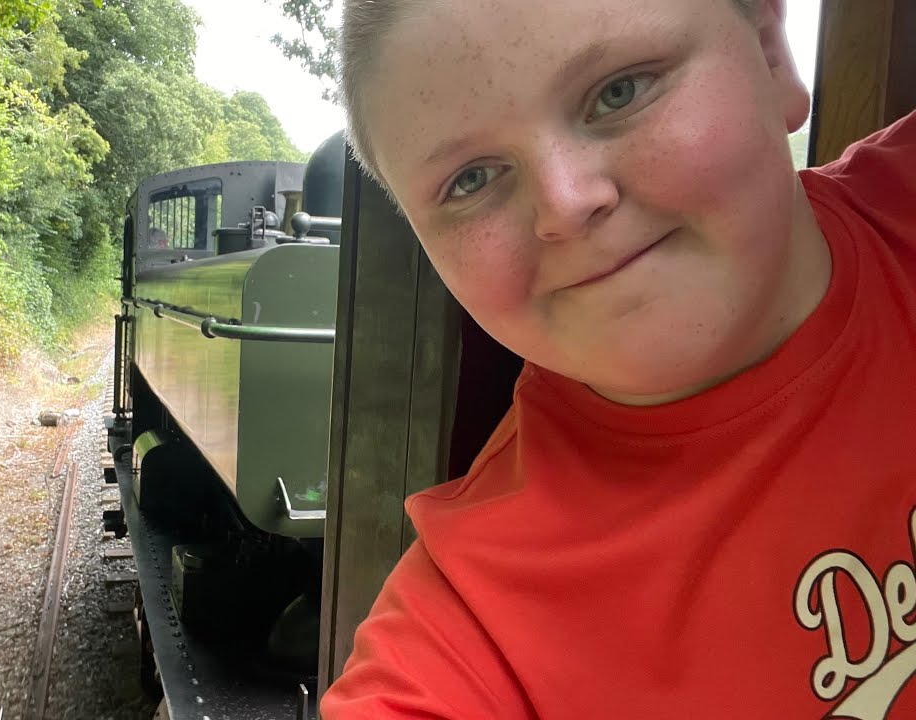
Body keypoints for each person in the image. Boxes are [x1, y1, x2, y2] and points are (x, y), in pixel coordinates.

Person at [320, 0, 916, 717]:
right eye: (471, 179)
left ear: (770, 53)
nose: (565, 205)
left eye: (620, 90)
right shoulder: (466, 640)